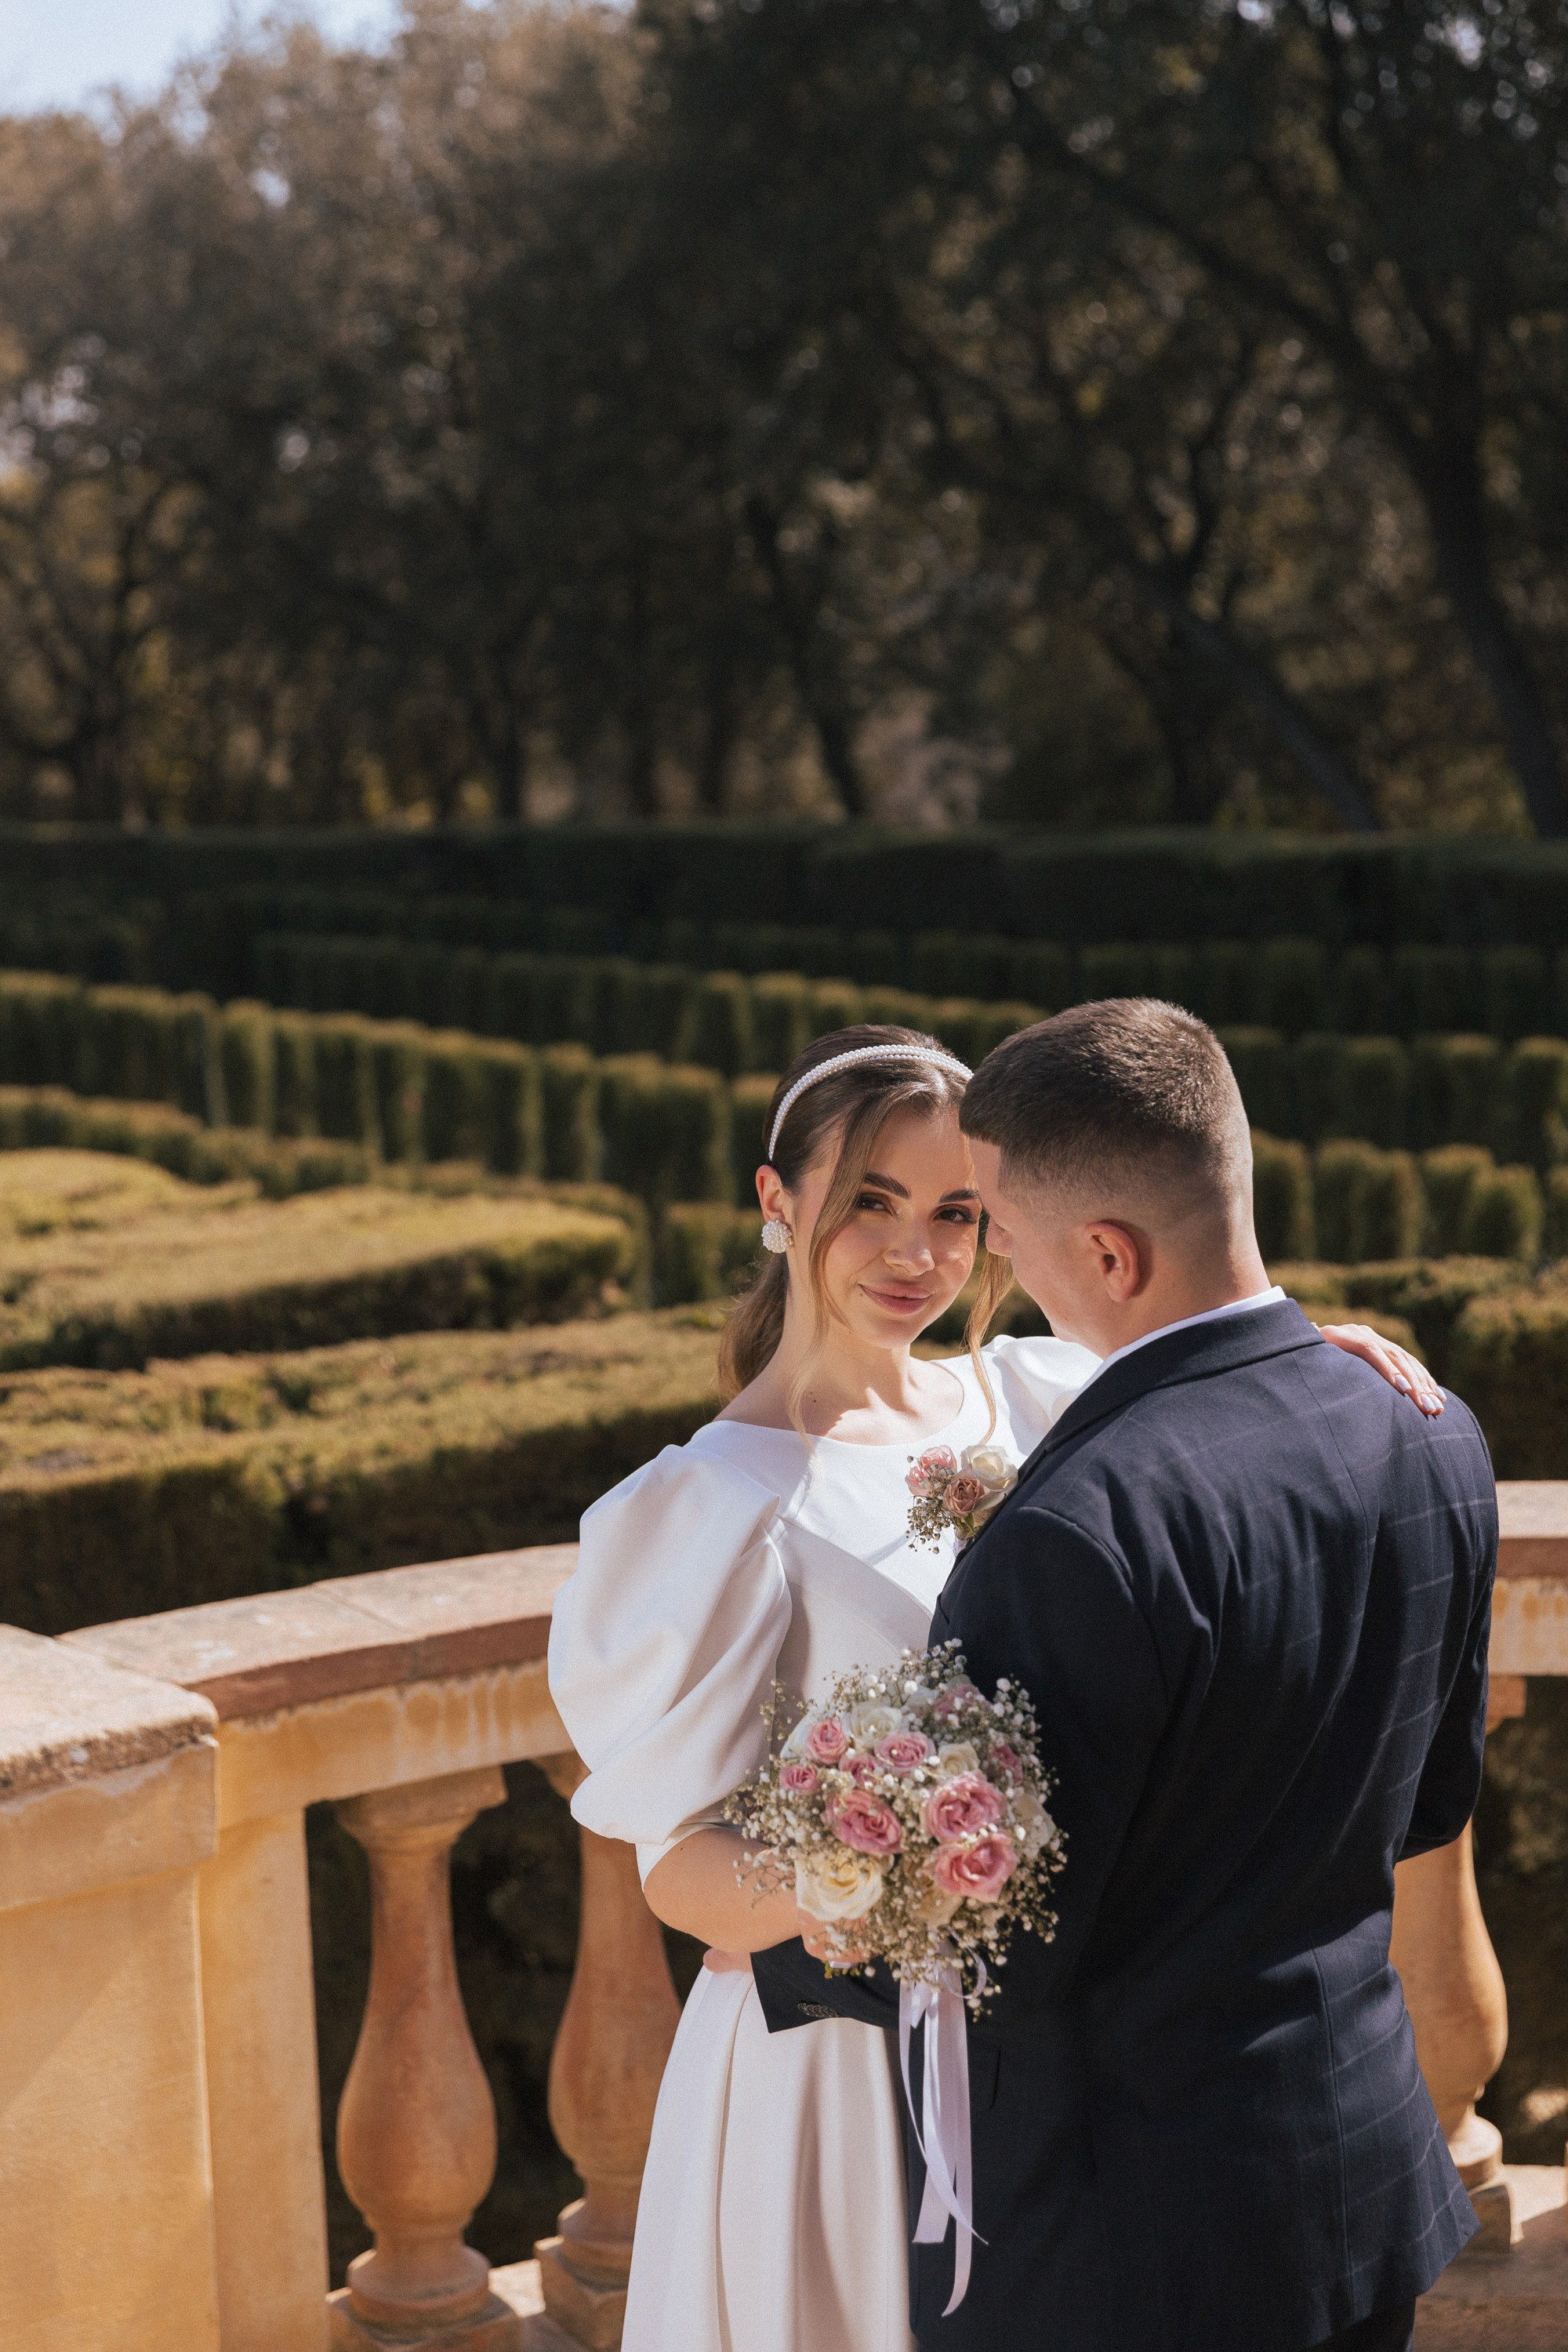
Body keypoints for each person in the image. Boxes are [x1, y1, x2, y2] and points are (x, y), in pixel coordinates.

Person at [546, 1018, 1445, 2352]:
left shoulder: (1034, 1397)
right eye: (871, 1205)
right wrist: (884, 1873)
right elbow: (678, 1874)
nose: (918, 1254)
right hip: (841, 2074)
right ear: (775, 1202)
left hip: (1074, 2076)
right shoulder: (706, 1508)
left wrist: (1320, 1353)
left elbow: (1206, 1357)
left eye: (959, 1212)